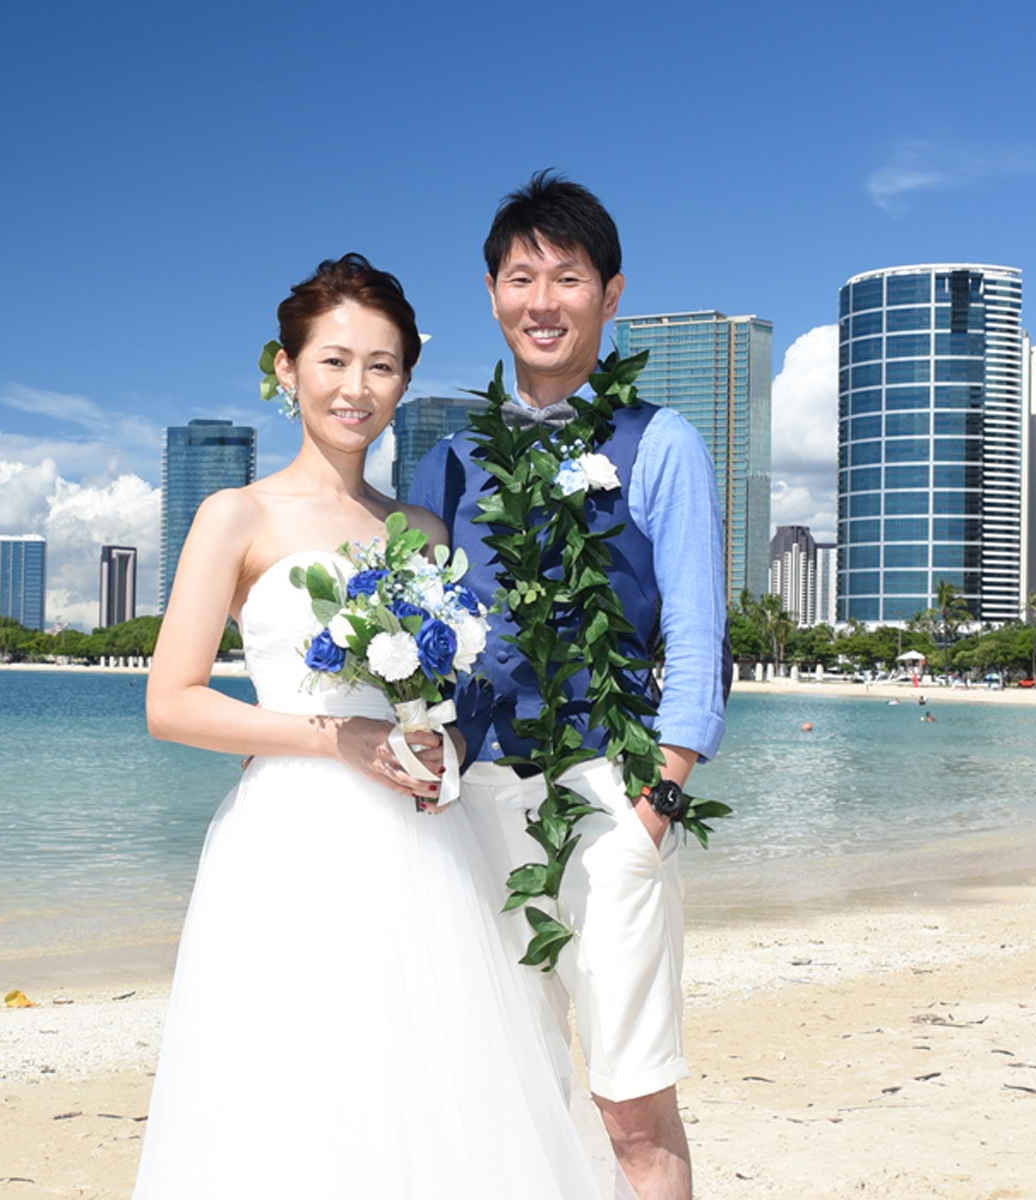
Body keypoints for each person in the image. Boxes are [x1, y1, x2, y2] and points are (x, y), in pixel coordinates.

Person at [136, 256, 602, 1197]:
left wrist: (440, 744)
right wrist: (331, 739)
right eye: (335, 362)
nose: (357, 389)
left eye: (383, 366)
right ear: (286, 368)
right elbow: (171, 702)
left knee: (436, 1093)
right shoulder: (237, 515)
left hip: (425, 842)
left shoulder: (427, 534)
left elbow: (443, 691)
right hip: (290, 840)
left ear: (406, 378)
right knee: (294, 1096)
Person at [411, 173, 728, 1200]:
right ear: (493, 295)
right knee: (517, 1090)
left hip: (611, 795)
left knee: (632, 1111)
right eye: (519, 277)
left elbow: (697, 634)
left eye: (568, 277)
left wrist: (658, 803)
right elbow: (410, 640)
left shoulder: (661, 442)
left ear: (611, 292)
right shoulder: (450, 462)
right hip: (477, 806)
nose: (541, 301)